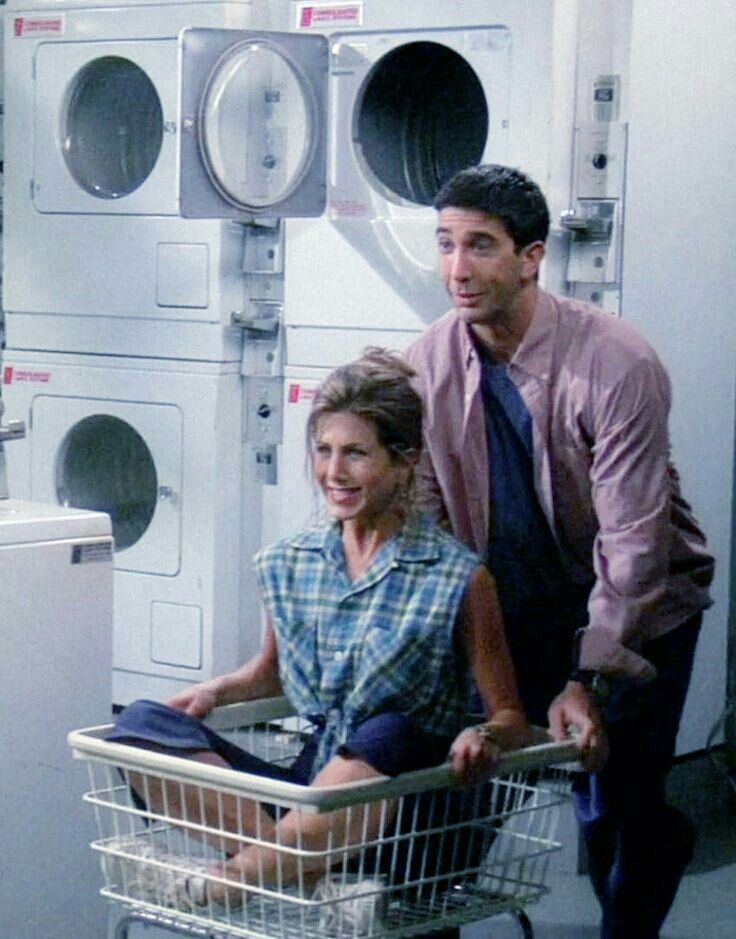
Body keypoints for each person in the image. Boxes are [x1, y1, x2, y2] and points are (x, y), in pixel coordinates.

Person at [404, 164, 715, 939]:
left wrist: (588, 678)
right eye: (445, 244)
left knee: (616, 803)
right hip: (512, 601)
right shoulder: (426, 364)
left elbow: (636, 543)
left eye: (479, 246)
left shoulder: (616, 362)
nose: (456, 268)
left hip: (640, 604)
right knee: (453, 793)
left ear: (531, 255)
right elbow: (430, 531)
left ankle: (645, 870)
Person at [109, 347, 530, 910]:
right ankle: (305, 876)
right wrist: (217, 691)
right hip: (315, 803)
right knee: (137, 727)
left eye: (356, 453)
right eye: (324, 451)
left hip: (412, 820)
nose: (334, 472)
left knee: (390, 729)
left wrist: (484, 736)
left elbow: (510, 716)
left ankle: (223, 882)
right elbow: (273, 674)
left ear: (404, 461)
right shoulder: (292, 563)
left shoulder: (460, 578)